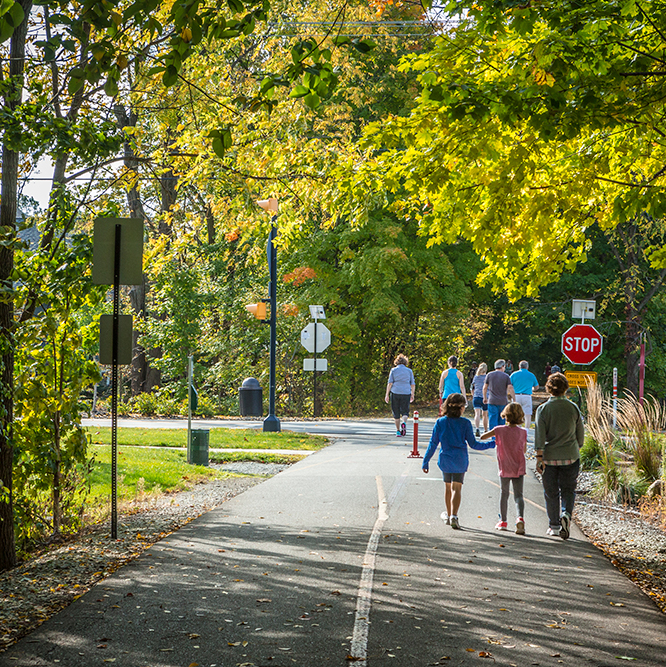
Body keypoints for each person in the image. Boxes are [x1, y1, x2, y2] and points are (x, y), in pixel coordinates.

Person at [422, 393, 495, 529]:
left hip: (445, 459)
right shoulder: (465, 423)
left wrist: (425, 461)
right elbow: (474, 444)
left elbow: (433, 443)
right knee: (457, 488)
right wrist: (491, 444)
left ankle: (449, 515)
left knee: (448, 487)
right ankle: (454, 515)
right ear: (461, 408)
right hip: (460, 459)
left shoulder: (440, 422)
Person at [534, 372, 584, 539]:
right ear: (565, 388)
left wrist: (539, 457)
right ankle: (566, 514)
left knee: (551, 491)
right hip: (570, 455)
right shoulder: (573, 408)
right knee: (568, 490)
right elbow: (581, 436)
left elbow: (539, 436)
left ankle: (554, 525)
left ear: (549, 388)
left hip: (549, 457)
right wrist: (576, 447)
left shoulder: (543, 409)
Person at [481, 403, 527, 534]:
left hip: (505, 466)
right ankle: (520, 519)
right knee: (519, 495)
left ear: (505, 416)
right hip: (518, 466)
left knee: (504, 494)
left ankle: (503, 521)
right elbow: (523, 450)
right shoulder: (523, 432)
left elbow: (482, 437)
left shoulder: (499, 430)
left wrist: (496, 440)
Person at [385, 354, 415, 437]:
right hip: (406, 392)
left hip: (395, 392)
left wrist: (387, 394)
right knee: (405, 411)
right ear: (405, 362)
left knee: (396, 412)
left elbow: (390, 383)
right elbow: (412, 384)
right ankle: (404, 422)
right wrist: (412, 394)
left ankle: (398, 431)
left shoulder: (393, 370)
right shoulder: (409, 371)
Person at [483, 359, 515, 430]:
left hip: (492, 400)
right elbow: (510, 387)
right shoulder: (506, 376)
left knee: (492, 419)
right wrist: (514, 399)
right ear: (502, 366)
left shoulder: (489, 375)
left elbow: (485, 387)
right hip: (503, 401)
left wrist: (485, 397)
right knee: (502, 419)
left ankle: (494, 437)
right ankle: (501, 437)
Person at [510, 360, 540, 429]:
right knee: (527, 415)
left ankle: (517, 430)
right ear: (527, 367)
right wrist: (532, 389)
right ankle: (526, 432)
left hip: (516, 395)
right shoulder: (531, 375)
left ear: (519, 366)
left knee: (516, 414)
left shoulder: (514, 374)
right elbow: (536, 387)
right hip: (526, 396)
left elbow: (509, 386)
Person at [470, 362, 489, 436]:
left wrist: (473, 394)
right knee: (485, 414)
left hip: (476, 396)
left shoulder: (476, 377)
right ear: (486, 369)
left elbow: (472, 387)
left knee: (477, 413)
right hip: (485, 397)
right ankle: (485, 430)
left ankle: (477, 429)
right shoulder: (487, 377)